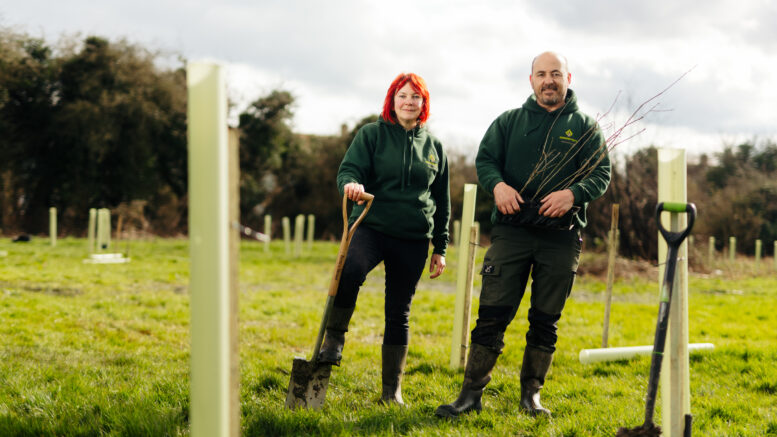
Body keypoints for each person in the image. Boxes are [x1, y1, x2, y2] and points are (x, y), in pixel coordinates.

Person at [436, 51, 611, 418]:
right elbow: (485, 161)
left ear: (568, 78)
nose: (549, 80)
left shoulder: (585, 127)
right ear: (530, 80)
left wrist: (573, 194)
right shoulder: (509, 122)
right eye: (541, 74)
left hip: (560, 238)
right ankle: (469, 396)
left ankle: (531, 397)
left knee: (546, 319)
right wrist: (497, 186)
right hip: (512, 234)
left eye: (556, 74)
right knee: (492, 315)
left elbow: (601, 175)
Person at [318, 72, 451, 405]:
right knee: (350, 271)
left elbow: (443, 200)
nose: (409, 102)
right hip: (371, 227)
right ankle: (334, 340)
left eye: (415, 97)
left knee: (399, 311)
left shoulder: (434, 147)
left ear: (424, 103)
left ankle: (392, 392)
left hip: (414, 237)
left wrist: (441, 247)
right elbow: (349, 170)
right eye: (402, 96)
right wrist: (352, 185)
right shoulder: (372, 135)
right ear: (392, 100)